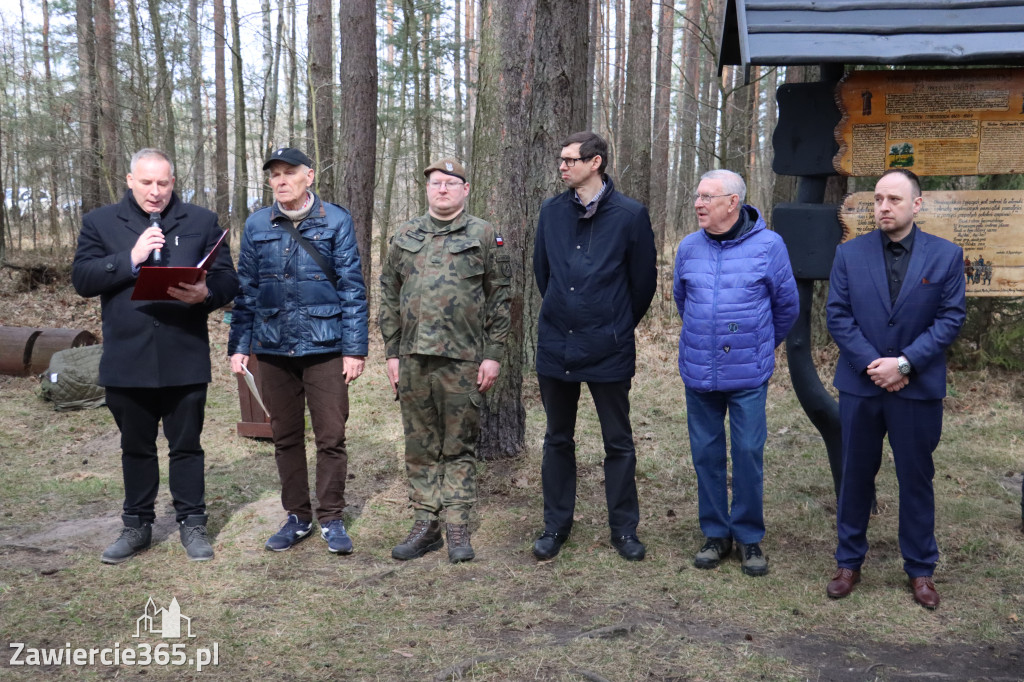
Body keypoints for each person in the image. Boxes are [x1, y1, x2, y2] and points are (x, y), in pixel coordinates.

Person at [72, 148, 239, 564]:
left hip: (184, 355)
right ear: (130, 181)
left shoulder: (201, 221)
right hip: (127, 359)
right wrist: (129, 258)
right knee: (136, 448)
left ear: (173, 182)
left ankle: (193, 523)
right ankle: (136, 526)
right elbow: (82, 279)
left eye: (163, 183)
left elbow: (228, 280)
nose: (155, 191)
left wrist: (208, 295)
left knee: (187, 446)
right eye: (146, 182)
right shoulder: (101, 222)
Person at [825, 168, 966, 609]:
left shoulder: (945, 256)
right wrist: (875, 365)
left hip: (917, 388)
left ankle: (921, 569)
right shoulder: (849, 255)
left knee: (916, 478)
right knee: (855, 475)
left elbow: (950, 318)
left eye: (894, 200)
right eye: (879, 199)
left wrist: (904, 363)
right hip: (862, 386)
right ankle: (848, 561)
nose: (883, 207)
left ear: (916, 205)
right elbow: (838, 316)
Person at [228, 147, 368, 555]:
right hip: (272, 348)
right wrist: (239, 347)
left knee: (331, 436)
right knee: (285, 437)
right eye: (275, 175)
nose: (281, 180)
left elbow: (352, 290)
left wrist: (354, 350)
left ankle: (332, 517)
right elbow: (247, 292)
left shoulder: (336, 220)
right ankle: (298, 516)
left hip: (326, 347)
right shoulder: (256, 225)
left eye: (290, 173)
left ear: (310, 176)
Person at [531, 131, 657, 562]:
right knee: (557, 439)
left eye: (570, 160)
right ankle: (555, 526)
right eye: (561, 160)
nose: (562, 166)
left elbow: (643, 285)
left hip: (609, 347)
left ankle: (624, 530)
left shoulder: (630, 215)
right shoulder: (550, 211)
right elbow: (542, 274)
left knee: (618, 442)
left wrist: (613, 323)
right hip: (556, 345)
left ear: (596, 162)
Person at [380, 158, 511, 564]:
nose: (442, 190)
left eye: (451, 184)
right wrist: (391, 352)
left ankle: (456, 522)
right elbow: (388, 293)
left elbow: (501, 299)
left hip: (464, 360)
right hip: (414, 358)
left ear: (465, 190)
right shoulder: (405, 234)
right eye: (436, 183)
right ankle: (425, 522)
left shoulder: (485, 234)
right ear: (427, 189)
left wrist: (492, 356)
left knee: (458, 443)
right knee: (419, 445)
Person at [673, 169, 798, 577]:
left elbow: (786, 308)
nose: (698, 203)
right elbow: (682, 300)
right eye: (697, 195)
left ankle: (748, 537)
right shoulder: (689, 247)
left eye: (708, 196)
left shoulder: (770, 245)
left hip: (747, 374)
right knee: (706, 455)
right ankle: (715, 534)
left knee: (747, 453)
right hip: (699, 372)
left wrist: (759, 346)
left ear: (733, 202)